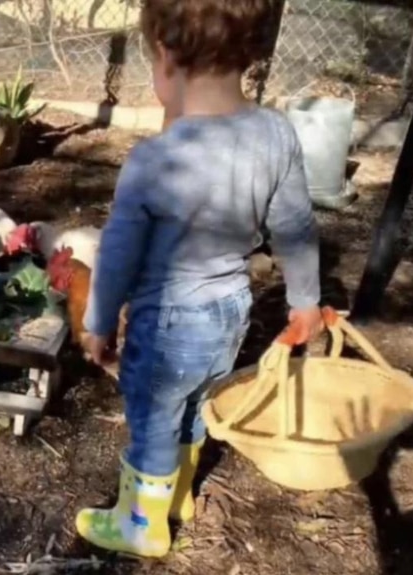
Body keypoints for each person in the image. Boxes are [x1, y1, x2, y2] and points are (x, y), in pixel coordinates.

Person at [77, 0, 324, 558]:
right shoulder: (276, 134)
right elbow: (296, 226)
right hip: (232, 309)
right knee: (195, 408)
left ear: (166, 56)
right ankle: (177, 498)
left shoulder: (156, 159)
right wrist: (305, 300)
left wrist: (97, 322)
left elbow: (116, 254)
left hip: (168, 319)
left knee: (153, 419)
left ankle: (142, 525)